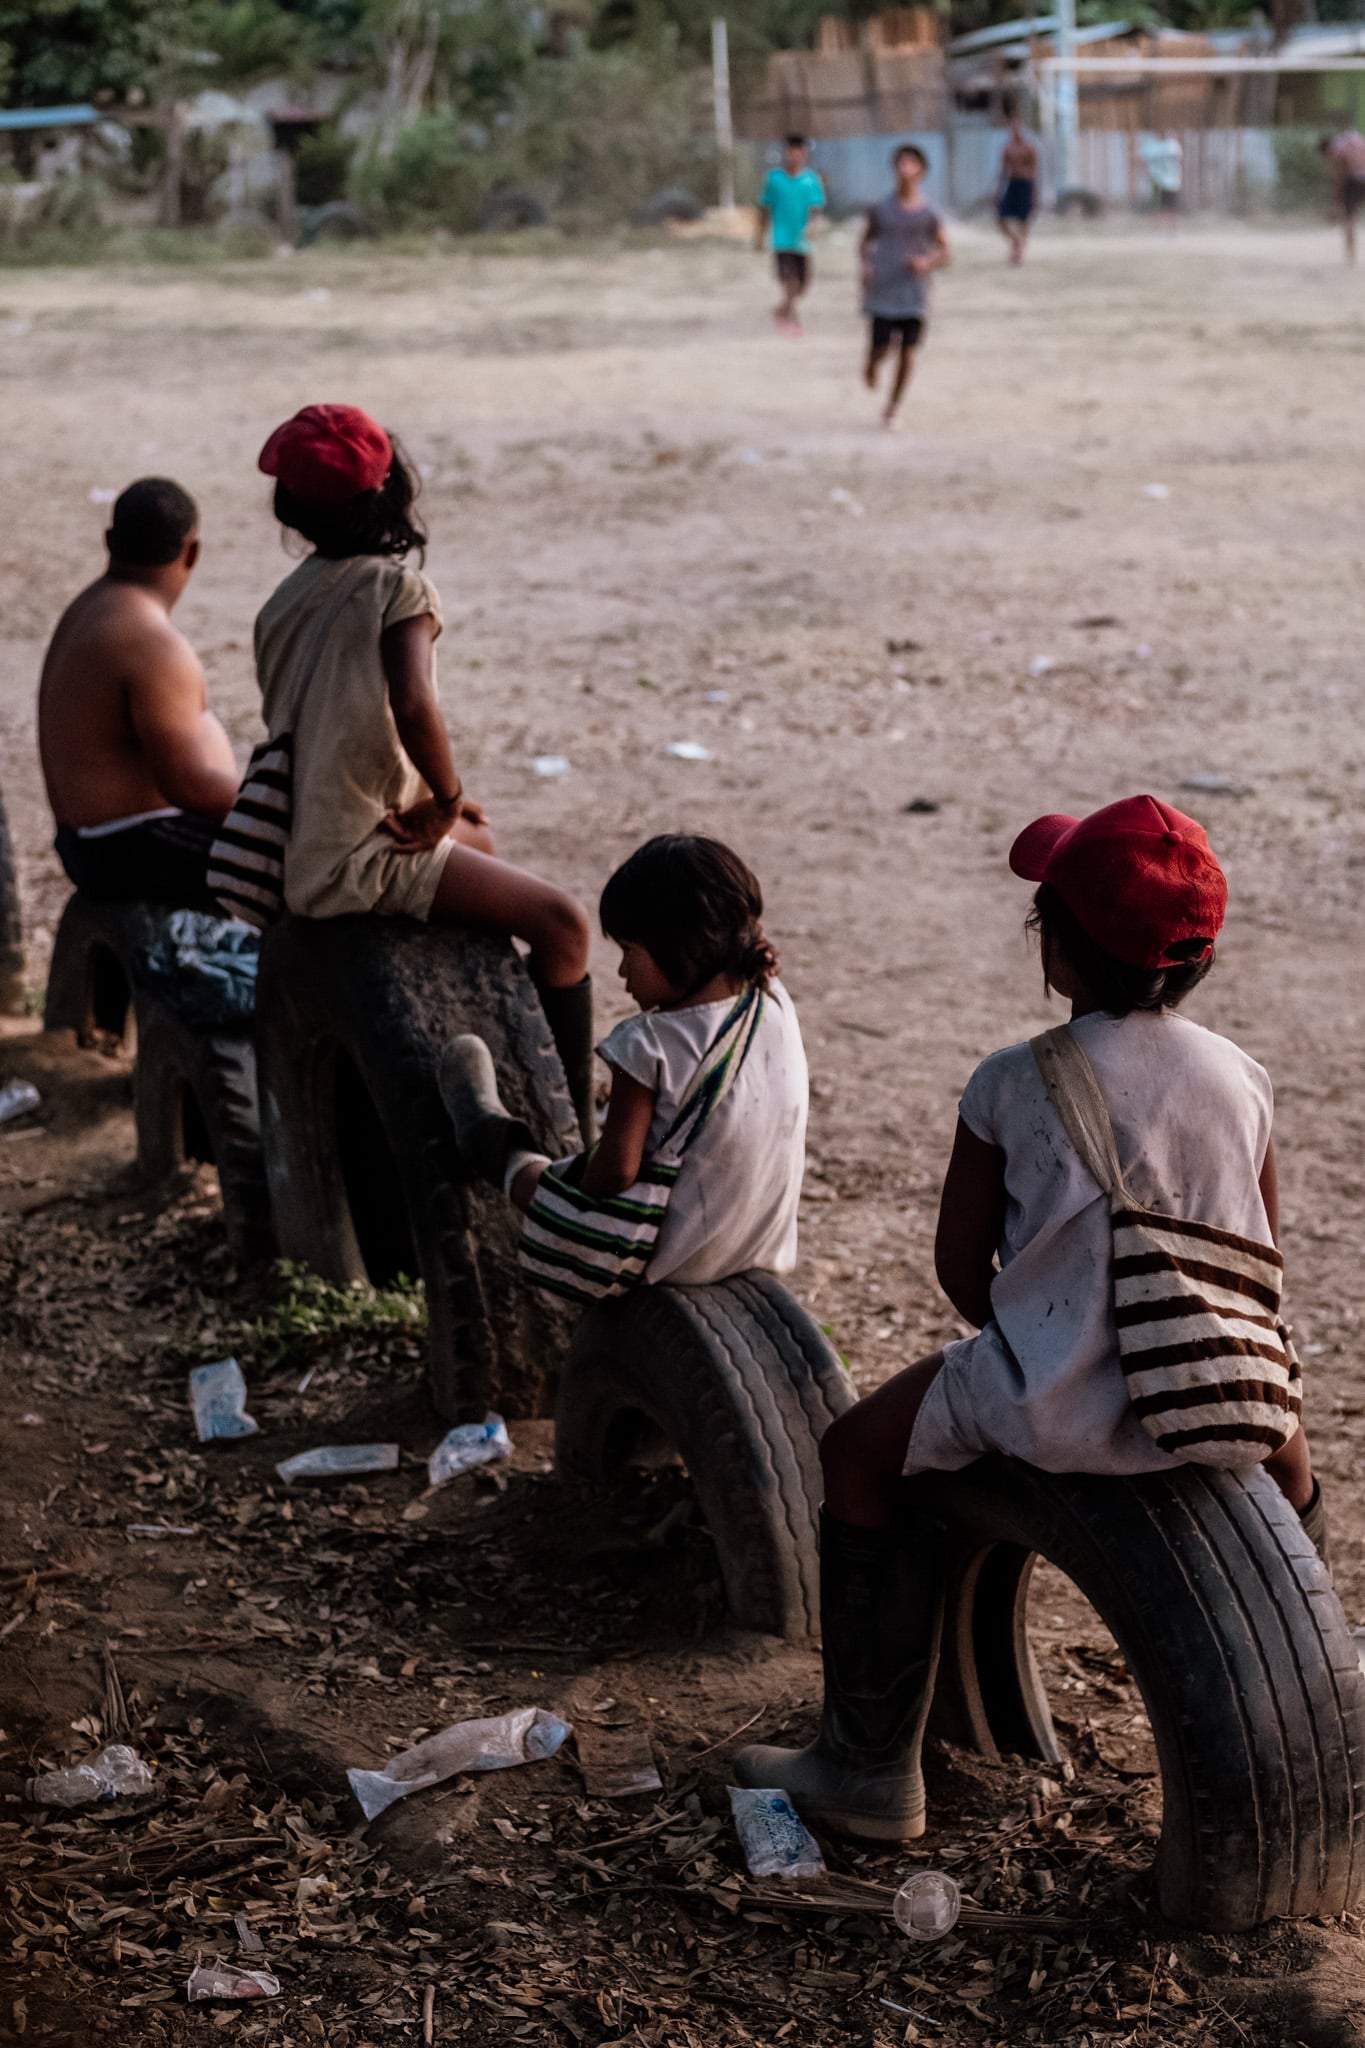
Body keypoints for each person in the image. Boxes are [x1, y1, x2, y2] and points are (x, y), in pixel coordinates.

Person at [734, 794, 1323, 1842]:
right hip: (1212, 1395)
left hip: (1044, 1399)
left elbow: (963, 1264)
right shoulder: (1243, 1078)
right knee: (1291, 1467)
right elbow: (1256, 1260)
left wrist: (1048, 1334)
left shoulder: (1012, 1081)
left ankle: (866, 1763)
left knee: (858, 1450)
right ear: (1195, 962)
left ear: (1061, 951)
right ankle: (1317, 1685)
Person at [253, 404, 595, 1134]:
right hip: (355, 858)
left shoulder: (281, 604)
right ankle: (572, 1125)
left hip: (306, 846)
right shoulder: (397, 589)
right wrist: (446, 795)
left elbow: (329, 737)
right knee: (563, 925)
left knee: (476, 839)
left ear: (291, 506)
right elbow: (410, 702)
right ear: (389, 490)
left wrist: (444, 810)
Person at [441, 834, 808, 1284]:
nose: (621, 973)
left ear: (682, 949)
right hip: (756, 1244)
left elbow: (614, 1173)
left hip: (674, 1255)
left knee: (541, 1178)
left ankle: (490, 1137)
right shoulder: (773, 1002)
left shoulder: (648, 1044)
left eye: (629, 953)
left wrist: (577, 1187)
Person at [38, 478, 239, 908]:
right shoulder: (152, 642)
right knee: (284, 860)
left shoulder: (89, 607)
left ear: (109, 541)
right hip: (131, 845)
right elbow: (189, 786)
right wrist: (278, 803)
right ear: (192, 553)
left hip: (86, 839)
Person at [860, 143, 950, 431]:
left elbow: (945, 252)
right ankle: (872, 363)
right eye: (901, 163)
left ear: (921, 172)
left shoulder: (929, 214)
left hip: (914, 294)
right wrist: (866, 265)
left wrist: (926, 263)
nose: (905, 169)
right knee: (881, 349)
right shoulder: (881, 210)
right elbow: (864, 243)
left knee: (908, 353)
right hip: (884, 291)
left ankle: (893, 407)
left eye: (911, 164)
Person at [755, 136, 826, 334]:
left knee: (804, 284)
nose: (795, 156)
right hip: (782, 239)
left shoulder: (811, 179)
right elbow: (764, 208)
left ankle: (782, 309)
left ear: (805, 154)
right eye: (792, 151)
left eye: (800, 151)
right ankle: (792, 318)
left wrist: (815, 225)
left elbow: (816, 208)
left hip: (802, 240)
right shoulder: (774, 179)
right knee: (790, 281)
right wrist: (760, 235)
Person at [996, 114, 1039, 264]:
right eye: (1013, 129)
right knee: (1001, 218)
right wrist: (997, 192)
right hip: (1012, 184)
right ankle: (1016, 243)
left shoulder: (1029, 149)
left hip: (1025, 184)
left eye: (1019, 128)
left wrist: (1035, 195)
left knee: (1024, 220)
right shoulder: (1007, 149)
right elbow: (1003, 171)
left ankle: (1018, 252)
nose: (1016, 131)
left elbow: (1034, 172)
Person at [1319, 129, 1365, 263]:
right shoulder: (1353, 139)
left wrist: (1336, 201)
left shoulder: (1336, 150)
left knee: (1350, 218)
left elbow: (1340, 177)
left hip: (1354, 181)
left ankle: (1351, 255)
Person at [1138, 129, 1183, 224]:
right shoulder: (1152, 146)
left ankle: (1169, 227)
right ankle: (1159, 226)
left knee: (1170, 206)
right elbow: (1142, 161)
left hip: (1172, 181)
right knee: (1158, 206)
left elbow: (1179, 161)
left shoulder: (1172, 145)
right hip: (1157, 180)